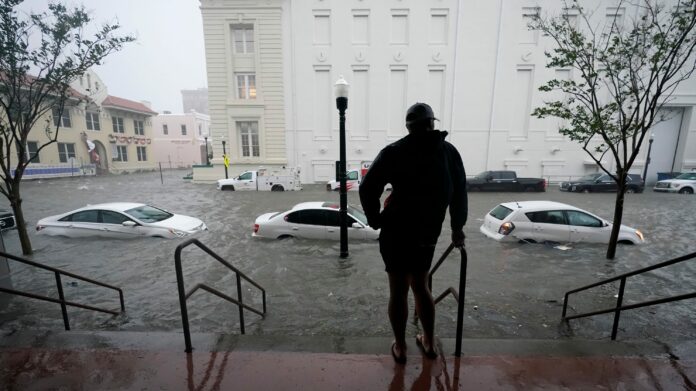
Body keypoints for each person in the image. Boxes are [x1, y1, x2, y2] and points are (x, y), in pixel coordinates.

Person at [359, 102, 467, 364]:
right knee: (421, 286)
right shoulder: (449, 152)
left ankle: (401, 347)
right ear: (433, 123)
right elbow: (459, 193)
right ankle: (429, 342)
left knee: (398, 291)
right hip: (427, 234)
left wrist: (375, 219)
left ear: (408, 127)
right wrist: (456, 228)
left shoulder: (395, 152)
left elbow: (367, 187)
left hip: (396, 232)